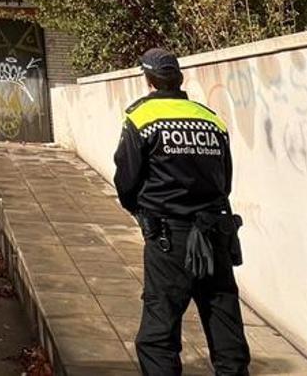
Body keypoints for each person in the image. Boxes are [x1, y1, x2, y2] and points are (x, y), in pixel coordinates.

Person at [114, 48, 250, 375]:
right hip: (214, 232)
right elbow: (225, 181)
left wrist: (143, 214)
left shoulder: (141, 119)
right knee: (223, 321)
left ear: (148, 79)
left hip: (168, 237)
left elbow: (126, 180)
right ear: (179, 78)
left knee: (159, 333)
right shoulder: (211, 119)